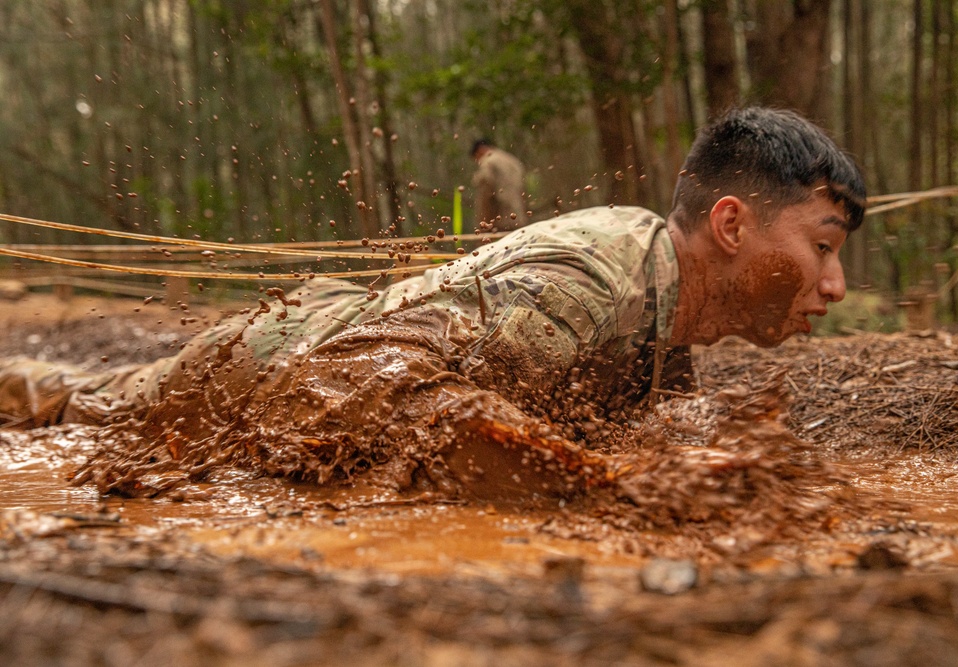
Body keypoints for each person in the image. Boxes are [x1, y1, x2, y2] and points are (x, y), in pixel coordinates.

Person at [0, 107, 864, 499]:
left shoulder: (663, 316)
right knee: (78, 409)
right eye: (823, 248)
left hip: (295, 344)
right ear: (730, 224)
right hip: (265, 358)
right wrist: (588, 483)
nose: (835, 285)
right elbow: (357, 367)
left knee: (83, 400)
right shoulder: (600, 282)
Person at [470, 138, 527, 232]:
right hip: (518, 217)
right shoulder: (512, 161)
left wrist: (483, 224)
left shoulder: (488, 162)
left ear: (480, 150)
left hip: (500, 220)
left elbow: (485, 195)